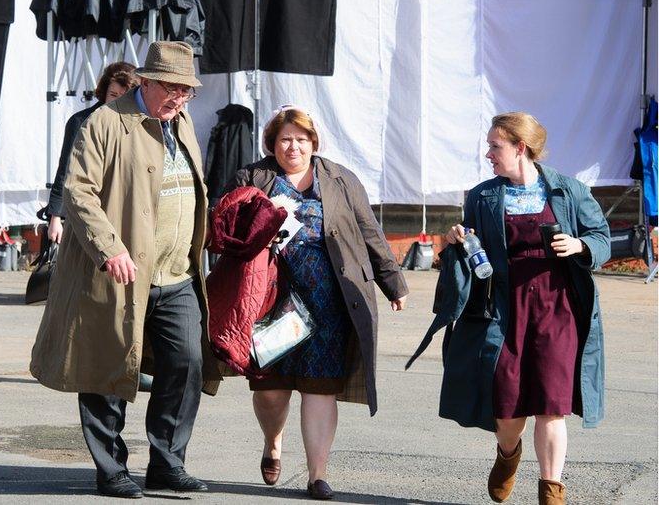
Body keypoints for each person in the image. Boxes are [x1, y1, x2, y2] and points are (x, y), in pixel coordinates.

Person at [30, 41, 219, 499]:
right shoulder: (105, 121)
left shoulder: (183, 120)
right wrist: (109, 247)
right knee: (105, 370)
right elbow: (78, 193)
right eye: (172, 88)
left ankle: (168, 463)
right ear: (146, 81)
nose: (180, 97)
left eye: (187, 90)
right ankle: (111, 469)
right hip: (117, 275)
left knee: (187, 363)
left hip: (177, 275)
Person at [417, 112, 609, 505]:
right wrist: (457, 239)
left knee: (551, 406)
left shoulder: (568, 190)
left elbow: (601, 237)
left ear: (520, 147)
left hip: (558, 309)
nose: (488, 154)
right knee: (506, 406)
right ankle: (508, 454)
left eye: (495, 146)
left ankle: (551, 489)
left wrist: (581, 246)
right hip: (503, 309)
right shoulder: (483, 196)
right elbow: (472, 252)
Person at [225, 105, 409, 500]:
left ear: (314, 143)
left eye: (302, 139)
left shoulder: (340, 179)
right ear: (272, 143)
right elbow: (228, 230)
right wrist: (258, 234)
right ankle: (273, 441)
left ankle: (317, 475)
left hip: (328, 302)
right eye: (285, 139)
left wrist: (393, 283)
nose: (293, 147)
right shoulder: (252, 177)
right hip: (270, 301)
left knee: (320, 388)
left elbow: (369, 231)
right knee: (270, 390)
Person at [45, 62, 138, 244]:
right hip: (89, 209)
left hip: (126, 210)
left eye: (124, 96)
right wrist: (55, 217)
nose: (118, 100)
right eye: (113, 95)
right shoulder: (81, 121)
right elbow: (65, 170)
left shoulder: (139, 125)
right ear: (103, 93)